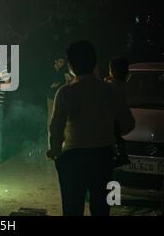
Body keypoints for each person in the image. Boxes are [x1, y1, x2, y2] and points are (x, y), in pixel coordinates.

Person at [47, 41, 135, 216]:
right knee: (101, 209)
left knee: (72, 209)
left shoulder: (66, 93)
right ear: (95, 63)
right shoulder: (111, 91)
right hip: (103, 159)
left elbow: (55, 129)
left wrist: (56, 152)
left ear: (71, 65)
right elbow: (127, 125)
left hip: (73, 159)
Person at [105, 57, 131, 167]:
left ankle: (120, 155)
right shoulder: (123, 85)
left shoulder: (112, 85)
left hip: (113, 122)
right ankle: (122, 155)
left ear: (112, 70)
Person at [47, 58, 69, 131]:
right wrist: (60, 83)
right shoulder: (50, 70)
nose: (62, 64)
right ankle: (50, 133)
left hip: (61, 96)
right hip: (51, 96)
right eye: (60, 62)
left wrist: (60, 84)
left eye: (63, 62)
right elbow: (51, 85)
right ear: (55, 61)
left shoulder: (63, 71)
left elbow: (67, 82)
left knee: (60, 116)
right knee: (51, 115)